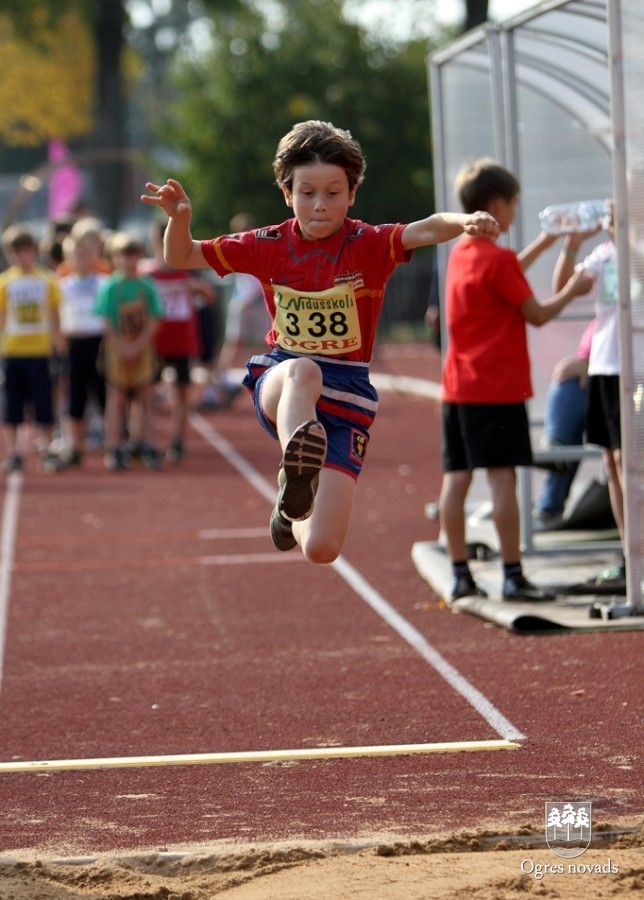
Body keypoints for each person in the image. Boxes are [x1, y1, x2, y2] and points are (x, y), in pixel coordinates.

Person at [141, 119, 499, 563]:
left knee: (322, 549)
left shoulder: (368, 243)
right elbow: (181, 255)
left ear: (351, 194)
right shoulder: (266, 243)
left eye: (333, 193)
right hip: (285, 379)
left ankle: (291, 511)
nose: (320, 205)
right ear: (287, 194)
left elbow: (426, 228)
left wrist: (467, 220)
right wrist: (179, 219)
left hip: (347, 394)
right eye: (307, 193)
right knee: (303, 370)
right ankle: (297, 465)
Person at [438, 158, 594, 602]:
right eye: (512, 206)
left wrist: (546, 243)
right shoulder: (499, 259)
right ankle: (512, 575)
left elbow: (503, 276)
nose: (513, 214)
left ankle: (460, 573)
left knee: (457, 478)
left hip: (458, 387)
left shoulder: (461, 253)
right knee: (502, 478)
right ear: (496, 204)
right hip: (495, 388)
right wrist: (573, 290)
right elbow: (539, 315)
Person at [552, 209, 626, 591]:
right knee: (612, 463)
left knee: (630, 462)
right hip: (605, 369)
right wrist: (573, 245)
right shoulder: (604, 255)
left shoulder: (634, 249)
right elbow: (563, 287)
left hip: (637, 371)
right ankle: (631, 556)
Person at [141, 221, 213, 462]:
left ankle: (178, 440)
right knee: (148, 392)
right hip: (154, 343)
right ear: (153, 245)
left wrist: (195, 288)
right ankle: (150, 440)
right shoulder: (147, 276)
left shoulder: (186, 273)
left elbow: (209, 296)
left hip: (182, 341)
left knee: (181, 393)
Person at [94, 232, 164, 471]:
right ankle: (114, 446)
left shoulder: (146, 285)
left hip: (143, 348)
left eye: (133, 255)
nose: (128, 261)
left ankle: (146, 444)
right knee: (117, 399)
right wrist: (122, 346)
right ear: (115, 258)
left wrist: (138, 345)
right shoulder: (110, 286)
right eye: (123, 256)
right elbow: (105, 319)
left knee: (145, 398)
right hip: (116, 349)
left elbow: (155, 318)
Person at [0, 226, 64, 473]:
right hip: (13, 352)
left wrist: (58, 342)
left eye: (24, 251)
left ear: (33, 251)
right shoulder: (5, 282)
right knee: (11, 405)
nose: (19, 257)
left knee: (42, 403)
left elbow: (55, 313)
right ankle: (14, 452)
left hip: (40, 351)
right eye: (14, 252)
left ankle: (46, 449)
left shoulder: (46, 280)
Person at [532, 319, 595, 531]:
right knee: (568, 384)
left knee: (570, 387)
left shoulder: (629, 301)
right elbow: (560, 287)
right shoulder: (611, 299)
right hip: (602, 377)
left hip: (629, 385)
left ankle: (557, 448)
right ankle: (556, 448)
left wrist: (591, 365)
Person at [57, 231, 108, 465]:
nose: (82, 258)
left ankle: (112, 443)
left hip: (100, 343)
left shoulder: (104, 283)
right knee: (75, 396)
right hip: (74, 344)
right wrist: (60, 343)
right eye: (77, 254)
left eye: (87, 253)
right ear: (68, 257)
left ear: (95, 254)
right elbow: (57, 318)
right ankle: (74, 446)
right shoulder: (62, 286)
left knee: (104, 395)